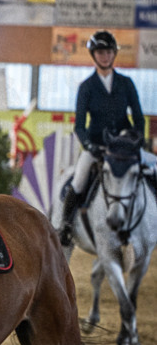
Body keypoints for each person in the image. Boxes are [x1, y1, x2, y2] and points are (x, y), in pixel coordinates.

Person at [57, 29, 156, 245]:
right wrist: (89, 146)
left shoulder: (126, 83)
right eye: (101, 52)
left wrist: (134, 139)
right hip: (97, 147)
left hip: (125, 147)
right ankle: (65, 225)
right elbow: (80, 126)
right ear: (94, 55)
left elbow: (139, 119)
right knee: (80, 178)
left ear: (114, 54)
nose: (105, 56)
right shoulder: (86, 87)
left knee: (155, 166)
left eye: (109, 51)